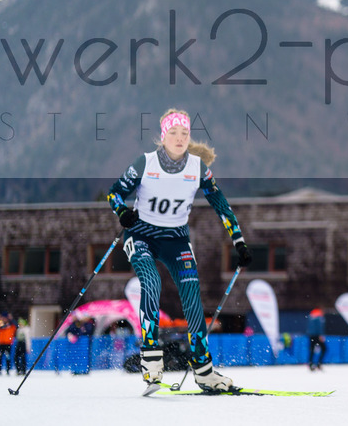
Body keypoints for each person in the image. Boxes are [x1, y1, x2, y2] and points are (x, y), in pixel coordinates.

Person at [106, 108, 253, 392]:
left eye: (184, 133)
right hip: (141, 235)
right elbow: (114, 193)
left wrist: (239, 241)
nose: (179, 138)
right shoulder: (145, 163)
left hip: (176, 239)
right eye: (173, 133)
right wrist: (123, 212)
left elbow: (221, 204)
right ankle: (150, 359)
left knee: (192, 296)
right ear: (163, 137)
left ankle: (204, 370)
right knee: (151, 281)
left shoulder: (197, 168)